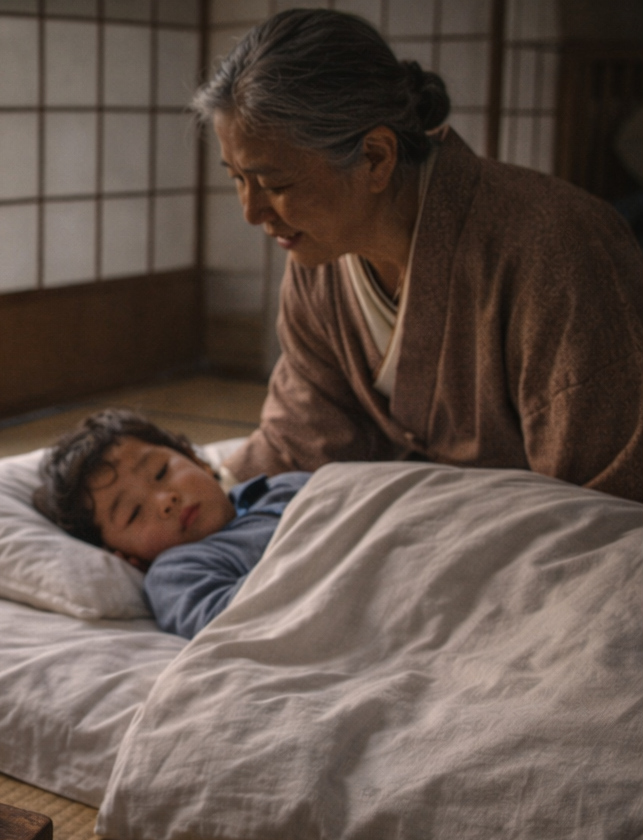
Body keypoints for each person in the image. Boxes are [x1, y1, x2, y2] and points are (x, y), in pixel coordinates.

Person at [195, 10, 643, 502]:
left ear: (376, 157)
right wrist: (210, 493)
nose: (252, 212)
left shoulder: (557, 250)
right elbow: (305, 430)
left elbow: (605, 497)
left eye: (275, 184)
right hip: (429, 521)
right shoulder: (317, 260)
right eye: (238, 178)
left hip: (544, 535)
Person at [35, 409, 310, 639]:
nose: (165, 500)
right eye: (133, 513)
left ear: (196, 459)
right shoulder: (178, 571)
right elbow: (230, 624)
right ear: (126, 557)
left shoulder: (280, 487)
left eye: (161, 472)